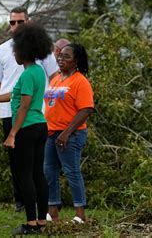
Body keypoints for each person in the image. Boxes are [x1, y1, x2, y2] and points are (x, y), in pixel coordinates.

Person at [0, 6, 58, 212]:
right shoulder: (3, 51)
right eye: (12, 22)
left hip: (32, 115)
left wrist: (13, 133)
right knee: (23, 165)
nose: (15, 26)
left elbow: (28, 96)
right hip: (15, 113)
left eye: (20, 22)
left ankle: (34, 213)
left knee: (33, 167)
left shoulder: (34, 62)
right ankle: (28, 204)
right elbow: (3, 86)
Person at [43, 43, 94, 224]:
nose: (61, 59)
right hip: (51, 132)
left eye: (67, 57)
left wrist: (66, 133)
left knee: (72, 172)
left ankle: (80, 214)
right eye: (60, 56)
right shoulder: (56, 78)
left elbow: (86, 110)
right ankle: (52, 210)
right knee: (49, 171)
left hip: (70, 134)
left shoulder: (80, 81)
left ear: (76, 61)